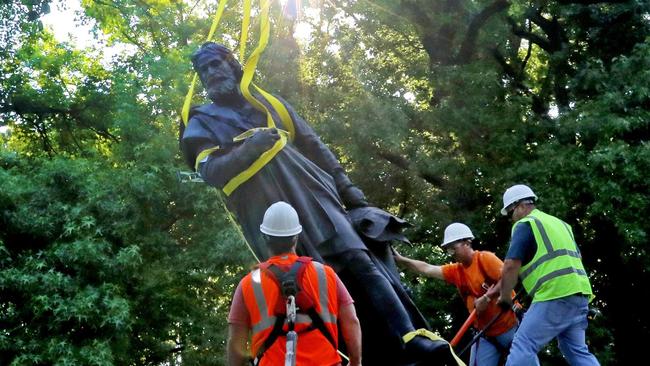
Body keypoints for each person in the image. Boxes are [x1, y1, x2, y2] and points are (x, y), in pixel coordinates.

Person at [181, 42, 459, 364]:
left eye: (216, 64)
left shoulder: (271, 104)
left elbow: (315, 146)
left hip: (315, 194)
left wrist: (351, 193)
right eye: (204, 71)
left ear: (233, 65)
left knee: (361, 261)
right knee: (310, 287)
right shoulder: (201, 121)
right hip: (268, 211)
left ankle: (410, 339)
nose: (212, 74)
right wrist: (251, 147)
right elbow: (211, 172)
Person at [227, 202, 362, 366]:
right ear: (296, 236)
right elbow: (351, 320)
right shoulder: (325, 274)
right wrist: (355, 362)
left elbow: (236, 342)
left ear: (264, 237)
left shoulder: (249, 283)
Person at [496, 184, 599, 366]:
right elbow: (574, 257)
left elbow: (511, 265)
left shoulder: (526, 223)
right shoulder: (561, 224)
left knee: (523, 344)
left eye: (510, 213)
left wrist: (505, 297)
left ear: (520, 206)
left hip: (555, 294)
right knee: (576, 351)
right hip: (580, 296)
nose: (511, 219)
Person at [395, 223, 519, 366]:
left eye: (454, 248)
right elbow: (427, 269)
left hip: (509, 326)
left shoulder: (484, 259)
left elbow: (509, 277)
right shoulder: (456, 271)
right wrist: (401, 260)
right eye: (449, 250)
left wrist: (487, 297)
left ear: (467, 243)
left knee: (524, 361)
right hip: (486, 334)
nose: (452, 253)